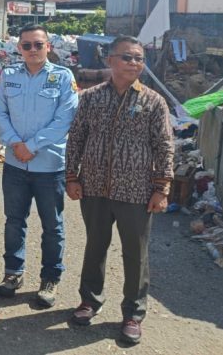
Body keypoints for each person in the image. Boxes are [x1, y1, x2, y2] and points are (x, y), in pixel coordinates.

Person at [65, 35, 174, 345]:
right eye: (127, 57)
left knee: (135, 254)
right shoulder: (91, 98)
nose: (134, 63)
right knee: (95, 246)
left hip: (136, 192)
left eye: (139, 58)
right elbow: (76, 139)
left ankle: (133, 314)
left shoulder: (153, 101)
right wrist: (72, 177)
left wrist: (162, 188)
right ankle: (89, 301)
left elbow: (165, 146)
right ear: (109, 60)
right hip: (95, 187)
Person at [0, 24, 78, 306]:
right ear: (19, 48)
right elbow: (0, 112)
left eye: (38, 45)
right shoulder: (9, 76)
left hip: (49, 166)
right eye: (27, 45)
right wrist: (14, 142)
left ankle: (50, 279)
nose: (32, 50)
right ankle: (13, 273)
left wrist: (30, 146)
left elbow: (64, 120)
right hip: (15, 165)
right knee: (14, 221)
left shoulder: (63, 78)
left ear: (48, 47)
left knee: (52, 226)